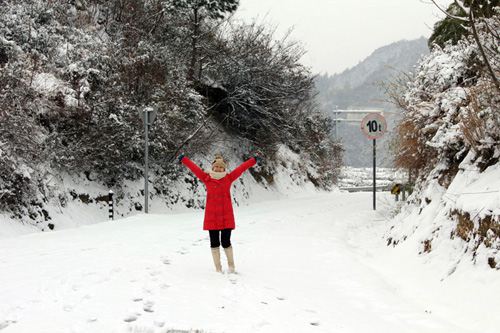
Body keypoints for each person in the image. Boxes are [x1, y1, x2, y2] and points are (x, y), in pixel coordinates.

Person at [178, 153, 261, 273]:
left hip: (226, 216)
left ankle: (231, 266)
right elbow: (195, 169)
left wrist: (253, 160)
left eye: (221, 167)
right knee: (214, 243)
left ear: (224, 168)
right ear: (213, 168)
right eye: (216, 167)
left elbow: (241, 168)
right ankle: (218, 268)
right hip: (212, 217)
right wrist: (184, 159)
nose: (218, 168)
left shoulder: (228, 178)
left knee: (226, 242)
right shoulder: (207, 178)